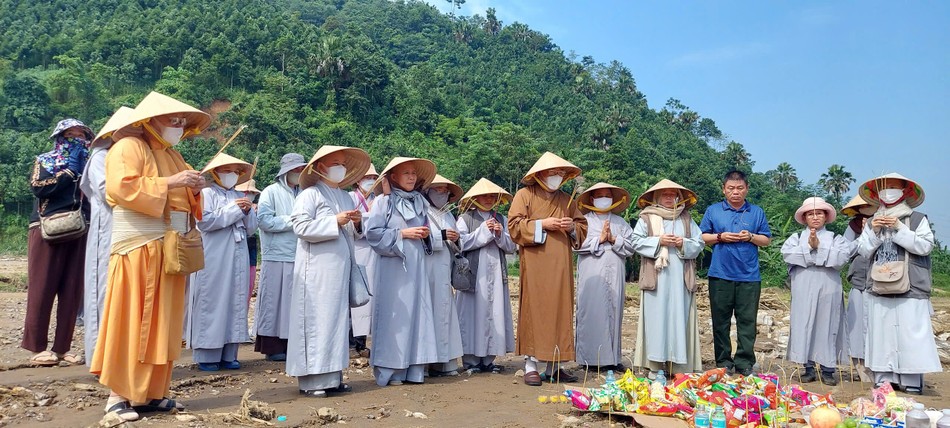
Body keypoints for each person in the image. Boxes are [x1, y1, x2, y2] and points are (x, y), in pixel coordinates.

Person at [91, 91, 210, 421]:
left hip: (170, 247)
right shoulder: (129, 146)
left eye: (181, 120)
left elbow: (184, 199)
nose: (178, 124)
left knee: (165, 324)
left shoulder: (173, 154)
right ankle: (118, 395)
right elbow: (120, 187)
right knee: (133, 319)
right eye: (172, 119)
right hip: (139, 247)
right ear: (150, 121)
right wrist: (173, 181)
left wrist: (195, 187)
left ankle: (151, 394)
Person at [286, 145, 369, 397]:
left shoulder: (345, 196)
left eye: (343, 163)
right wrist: (334, 221)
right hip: (316, 271)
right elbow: (300, 226)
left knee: (336, 321)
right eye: (335, 162)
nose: (340, 168)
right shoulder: (309, 195)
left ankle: (333, 376)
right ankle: (312, 381)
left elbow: (354, 232)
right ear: (320, 167)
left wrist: (357, 222)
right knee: (316, 321)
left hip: (339, 269)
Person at [508, 152, 588, 386]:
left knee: (560, 309)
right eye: (553, 173)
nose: (557, 177)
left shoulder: (567, 199)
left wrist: (571, 226)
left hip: (561, 264)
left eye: (560, 174)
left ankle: (555, 366)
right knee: (535, 308)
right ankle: (531, 365)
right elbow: (514, 226)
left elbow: (582, 227)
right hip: (535, 262)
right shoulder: (524, 195)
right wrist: (542, 224)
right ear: (540, 174)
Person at [857, 173, 938, 395]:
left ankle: (912, 379)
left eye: (894, 187)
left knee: (911, 333)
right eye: (885, 187)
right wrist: (874, 231)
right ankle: (884, 379)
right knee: (881, 333)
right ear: (877, 193)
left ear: (906, 191)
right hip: (879, 285)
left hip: (910, 285)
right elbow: (863, 250)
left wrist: (900, 229)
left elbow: (924, 247)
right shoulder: (873, 220)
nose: (889, 191)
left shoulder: (917, 219)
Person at [23, 118, 93, 367]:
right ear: (60, 137)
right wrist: (68, 173)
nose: (77, 139)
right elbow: (38, 188)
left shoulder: (90, 165)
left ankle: (63, 348)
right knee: (42, 286)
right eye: (71, 134)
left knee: (72, 290)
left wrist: (81, 171)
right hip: (46, 228)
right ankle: (37, 347)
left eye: (82, 135)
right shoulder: (46, 160)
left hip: (79, 227)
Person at [365, 157, 440, 386]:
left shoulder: (420, 201)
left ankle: (414, 369)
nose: (410, 177)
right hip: (393, 268)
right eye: (405, 173)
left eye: (413, 174)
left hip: (417, 267)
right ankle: (392, 371)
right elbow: (373, 234)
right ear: (393, 177)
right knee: (395, 315)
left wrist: (425, 234)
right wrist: (402, 234)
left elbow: (428, 231)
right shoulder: (382, 202)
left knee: (418, 314)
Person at [185, 152, 257, 371]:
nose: (232, 175)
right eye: (227, 171)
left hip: (238, 251)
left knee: (236, 298)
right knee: (213, 298)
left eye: (236, 171)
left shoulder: (240, 194)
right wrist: (236, 209)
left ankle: (229, 353)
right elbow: (205, 221)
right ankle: (207, 354)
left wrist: (247, 212)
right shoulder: (207, 193)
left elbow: (252, 228)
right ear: (215, 173)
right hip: (215, 252)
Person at [699, 170, 772, 376]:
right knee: (720, 320)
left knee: (747, 321)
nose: (735, 192)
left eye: (740, 188)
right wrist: (720, 236)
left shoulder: (756, 212)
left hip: (749, 276)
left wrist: (750, 236)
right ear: (724, 189)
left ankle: (744, 362)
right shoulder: (713, 210)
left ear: (746, 189)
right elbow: (702, 236)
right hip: (720, 274)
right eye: (731, 188)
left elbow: (766, 240)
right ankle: (723, 361)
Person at [630, 180, 705, 374]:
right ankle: (655, 366)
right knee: (656, 320)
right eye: (665, 194)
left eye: (673, 194)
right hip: (657, 278)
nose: (670, 198)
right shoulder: (646, 218)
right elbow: (635, 242)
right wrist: (659, 241)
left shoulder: (686, 218)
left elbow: (699, 243)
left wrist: (682, 243)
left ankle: (678, 366)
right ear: (656, 197)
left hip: (680, 278)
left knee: (680, 318)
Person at [80, 107, 135, 366]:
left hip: (130, 232)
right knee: (102, 291)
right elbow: (107, 192)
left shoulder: (132, 158)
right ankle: (99, 358)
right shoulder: (101, 156)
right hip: (107, 230)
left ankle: (120, 358)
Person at [782, 197, 853, 385]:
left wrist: (818, 247)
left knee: (828, 323)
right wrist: (809, 247)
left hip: (829, 285)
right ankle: (808, 367)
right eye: (811, 214)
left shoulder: (837, 239)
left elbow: (841, 259)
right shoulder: (796, 238)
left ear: (826, 216)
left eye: (819, 213)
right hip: (803, 285)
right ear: (804, 217)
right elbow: (788, 255)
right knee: (804, 322)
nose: (815, 217)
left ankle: (829, 369)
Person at [455, 178, 517, 373]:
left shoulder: (502, 219)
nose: (488, 199)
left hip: (496, 274)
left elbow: (512, 246)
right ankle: (471, 361)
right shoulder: (465, 219)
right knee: (472, 314)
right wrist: (484, 231)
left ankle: (489, 359)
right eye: (484, 196)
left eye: (492, 196)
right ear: (475, 198)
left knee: (495, 312)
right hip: (474, 275)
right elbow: (460, 243)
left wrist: (500, 235)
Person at [574, 183, 636, 371]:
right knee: (591, 311)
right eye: (599, 195)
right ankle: (588, 359)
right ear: (592, 199)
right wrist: (599, 239)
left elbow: (632, 247)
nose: (604, 198)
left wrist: (613, 239)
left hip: (615, 271)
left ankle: (612, 358)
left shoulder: (620, 223)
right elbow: (575, 244)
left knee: (614, 310)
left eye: (607, 195)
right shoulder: (583, 221)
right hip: (592, 272)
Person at [253, 153, 307, 361]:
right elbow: (264, 221)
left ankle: (291, 344)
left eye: (301, 170)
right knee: (273, 301)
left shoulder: (304, 193)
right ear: (285, 172)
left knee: (293, 303)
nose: (298, 173)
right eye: (295, 170)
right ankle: (272, 346)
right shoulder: (270, 192)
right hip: (276, 255)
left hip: (299, 253)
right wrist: (294, 221)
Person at [423, 174, 465, 376]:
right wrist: (440, 236)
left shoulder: (448, 214)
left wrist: (457, 239)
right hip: (426, 268)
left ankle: (445, 363)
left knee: (444, 313)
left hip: (444, 269)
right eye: (437, 189)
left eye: (444, 190)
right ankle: (424, 363)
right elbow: (418, 237)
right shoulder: (420, 210)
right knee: (427, 314)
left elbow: (458, 244)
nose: (441, 193)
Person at [841, 194, 877, 382]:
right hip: (860, 279)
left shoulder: (888, 222)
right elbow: (845, 251)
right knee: (857, 325)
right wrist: (864, 235)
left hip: (883, 282)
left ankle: (879, 366)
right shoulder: (854, 226)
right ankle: (860, 364)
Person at [348, 164, 379, 357]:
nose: (370, 180)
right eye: (366, 176)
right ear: (358, 180)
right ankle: (353, 342)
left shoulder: (379, 200)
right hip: (357, 250)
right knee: (357, 295)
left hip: (374, 252)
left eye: (373, 177)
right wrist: (368, 217)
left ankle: (364, 341)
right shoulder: (351, 198)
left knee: (372, 297)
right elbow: (352, 222)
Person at [236, 179, 261, 305]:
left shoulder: (255, 209)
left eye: (252, 192)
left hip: (250, 249)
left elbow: (253, 228)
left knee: (248, 284)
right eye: (247, 192)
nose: (249, 194)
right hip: (234, 248)